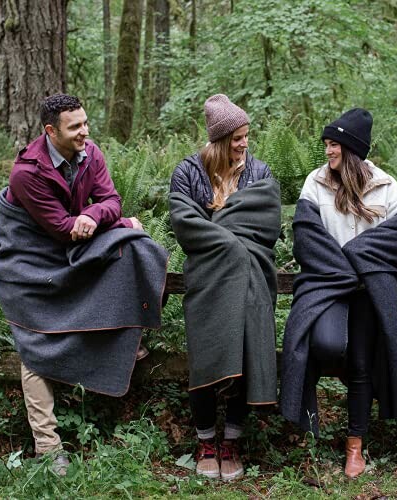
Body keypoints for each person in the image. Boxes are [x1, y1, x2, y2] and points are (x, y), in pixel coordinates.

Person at [0, 94, 168, 475]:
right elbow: (60, 230)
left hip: (73, 242)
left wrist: (96, 214)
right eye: (75, 127)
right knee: (35, 343)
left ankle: (128, 333)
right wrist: (118, 223)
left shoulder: (90, 153)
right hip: (29, 261)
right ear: (50, 131)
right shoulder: (26, 173)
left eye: (86, 123)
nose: (85, 132)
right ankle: (48, 446)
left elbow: (111, 200)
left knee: (141, 248)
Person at [280, 108, 397, 479]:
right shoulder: (315, 183)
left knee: (360, 364)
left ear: (352, 149)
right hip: (326, 285)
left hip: (369, 292)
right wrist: (350, 267)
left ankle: (354, 446)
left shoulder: (386, 187)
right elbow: (307, 239)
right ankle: (310, 424)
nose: (328, 151)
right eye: (326, 143)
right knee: (322, 344)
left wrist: (354, 259)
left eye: (334, 144)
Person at [169, 94, 281, 481]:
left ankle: (231, 440)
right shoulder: (188, 173)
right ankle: (205, 440)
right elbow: (185, 225)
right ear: (218, 139)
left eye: (247, 136)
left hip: (252, 275)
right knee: (207, 350)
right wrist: (230, 237)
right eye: (236, 138)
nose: (244, 144)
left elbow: (267, 224)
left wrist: (219, 226)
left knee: (246, 350)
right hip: (208, 277)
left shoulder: (260, 173)